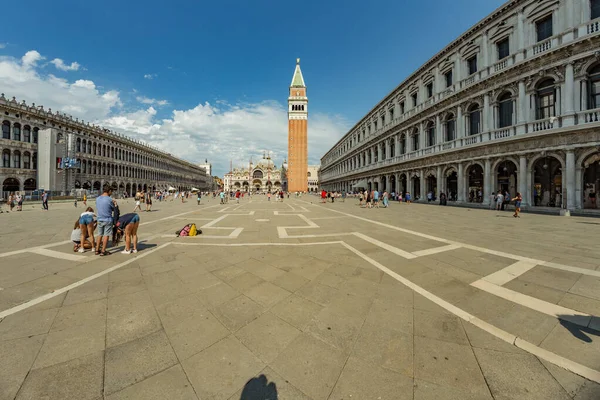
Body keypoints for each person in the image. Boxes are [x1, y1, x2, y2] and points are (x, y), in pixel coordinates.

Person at [95, 185, 115, 256]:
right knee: (106, 235)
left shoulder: (97, 199)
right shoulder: (109, 199)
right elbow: (113, 208)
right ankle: (103, 250)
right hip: (107, 219)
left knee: (99, 234)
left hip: (99, 219)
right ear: (109, 191)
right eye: (111, 192)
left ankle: (97, 250)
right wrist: (115, 204)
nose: (111, 193)